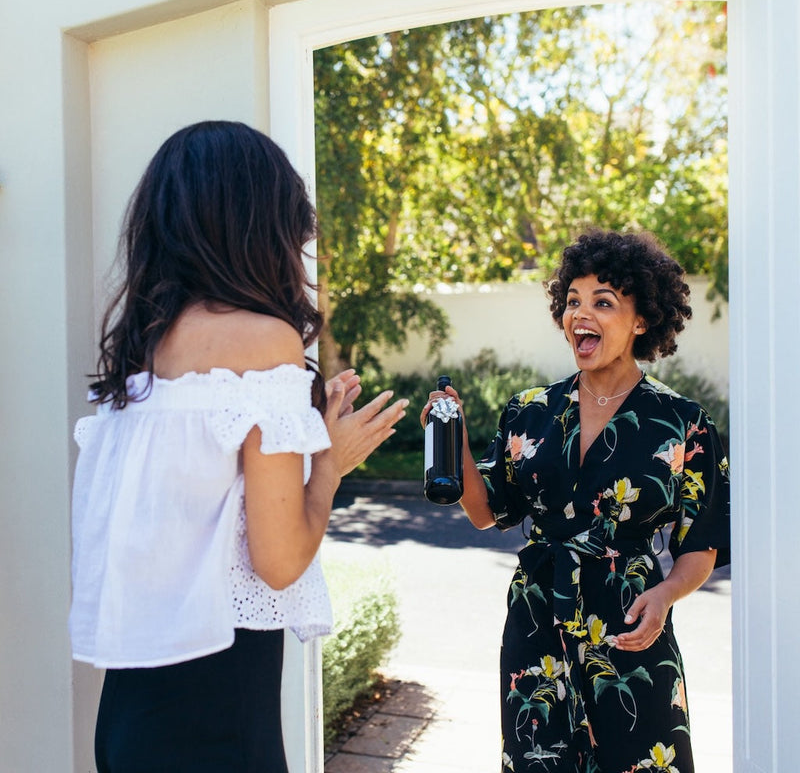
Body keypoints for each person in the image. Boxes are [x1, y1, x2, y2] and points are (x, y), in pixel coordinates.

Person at [69, 120, 408, 773]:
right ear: (258, 226)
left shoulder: (139, 356)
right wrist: (329, 465)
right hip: (215, 723)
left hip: (127, 718)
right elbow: (278, 563)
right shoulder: (264, 342)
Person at [421, 229, 730, 773]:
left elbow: (699, 546)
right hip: (538, 620)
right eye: (572, 302)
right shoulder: (530, 410)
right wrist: (456, 437)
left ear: (642, 321)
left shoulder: (684, 424)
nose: (580, 314)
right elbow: (484, 511)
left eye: (603, 302)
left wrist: (663, 597)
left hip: (632, 625)